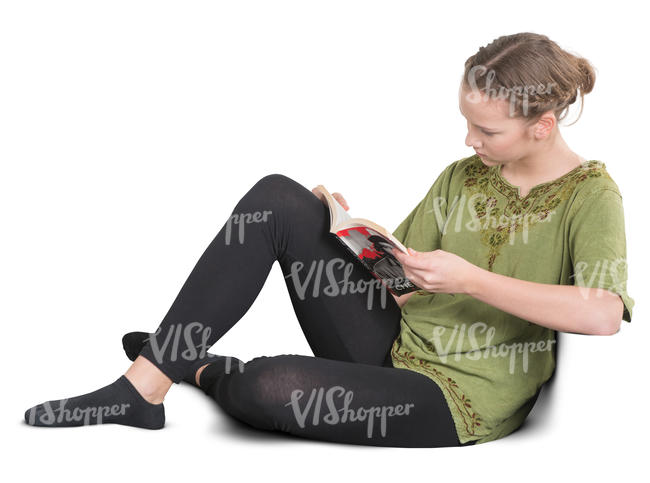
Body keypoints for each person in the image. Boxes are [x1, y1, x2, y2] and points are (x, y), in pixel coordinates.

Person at [23, 32, 634, 446]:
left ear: (542, 126)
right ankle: (148, 381)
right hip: (398, 337)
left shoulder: (591, 195)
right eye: (466, 122)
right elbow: (402, 280)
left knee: (271, 384)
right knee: (278, 199)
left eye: (487, 130)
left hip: (460, 395)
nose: (469, 140)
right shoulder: (462, 177)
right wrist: (350, 233)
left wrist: (468, 278)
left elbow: (604, 313)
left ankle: (204, 368)